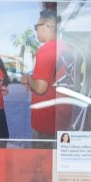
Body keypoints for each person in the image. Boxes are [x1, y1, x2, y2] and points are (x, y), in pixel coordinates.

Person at [25, 10, 65, 142]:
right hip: (62, 119)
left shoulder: (46, 50)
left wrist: (28, 78)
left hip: (46, 124)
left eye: (37, 27)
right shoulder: (66, 48)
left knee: (42, 162)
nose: (36, 30)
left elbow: (40, 88)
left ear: (47, 25)